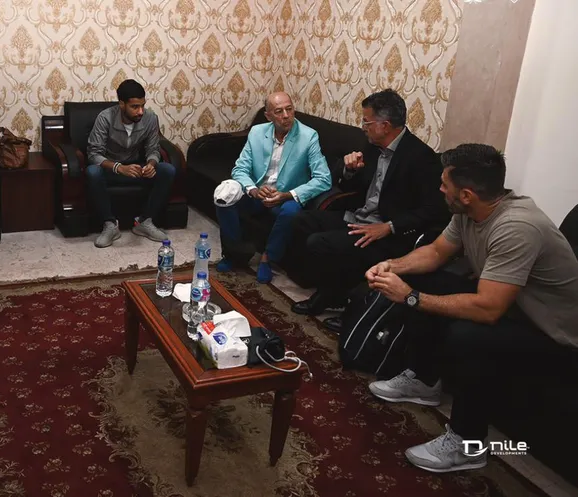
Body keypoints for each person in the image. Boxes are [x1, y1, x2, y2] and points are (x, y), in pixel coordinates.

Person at [364, 144, 578, 473]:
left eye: (444, 184)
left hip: (555, 334)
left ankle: (467, 444)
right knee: (427, 280)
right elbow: (436, 253)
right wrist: (392, 266)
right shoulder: (469, 211)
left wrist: (410, 297)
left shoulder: (517, 226)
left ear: (465, 195)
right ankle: (423, 381)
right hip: (515, 308)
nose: (439, 189)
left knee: (469, 335)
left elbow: (488, 309)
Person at [290, 89, 449, 325]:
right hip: (359, 216)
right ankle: (332, 290)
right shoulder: (372, 146)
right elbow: (350, 187)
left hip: (389, 232)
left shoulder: (421, 157)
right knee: (301, 221)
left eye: (366, 122)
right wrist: (349, 171)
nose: (363, 127)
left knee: (320, 242)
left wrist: (389, 227)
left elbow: (433, 210)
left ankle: (339, 300)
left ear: (385, 126)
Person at [214, 92, 331, 284]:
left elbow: (324, 179)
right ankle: (234, 254)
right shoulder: (257, 132)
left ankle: (268, 259)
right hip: (258, 193)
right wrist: (253, 190)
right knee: (224, 199)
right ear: (268, 116)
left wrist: (287, 195)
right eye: (279, 111)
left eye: (289, 109)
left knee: (291, 212)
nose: (286, 115)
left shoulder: (308, 136)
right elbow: (240, 169)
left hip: (286, 197)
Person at [86, 79, 176, 247]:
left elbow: (153, 149)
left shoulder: (150, 118)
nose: (140, 111)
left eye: (142, 105)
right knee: (92, 172)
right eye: (134, 107)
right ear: (122, 104)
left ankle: (145, 221)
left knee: (167, 170)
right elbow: (93, 154)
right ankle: (110, 225)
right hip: (111, 170)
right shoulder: (105, 118)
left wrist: (151, 164)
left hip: (136, 169)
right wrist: (118, 167)